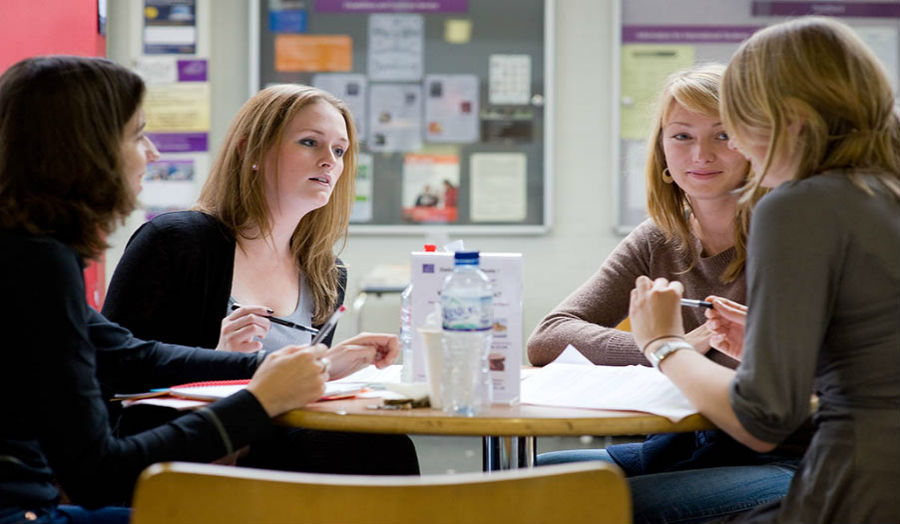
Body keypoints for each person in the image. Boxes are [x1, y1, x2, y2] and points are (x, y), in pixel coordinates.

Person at [0, 56, 332, 524]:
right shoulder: (39, 263)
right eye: (137, 135)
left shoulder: (27, 251)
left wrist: (273, 367)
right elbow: (98, 475)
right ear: (83, 149)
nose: (152, 153)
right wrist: (259, 402)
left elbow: (130, 355)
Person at [629, 16, 899, 523]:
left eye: (736, 127)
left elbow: (761, 421)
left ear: (789, 119)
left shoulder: (798, 205)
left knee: (562, 499)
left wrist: (662, 343)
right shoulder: (883, 191)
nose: (743, 152)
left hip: (852, 489)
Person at [527, 64, 800, 524]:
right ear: (662, 154)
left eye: (723, 135)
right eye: (681, 136)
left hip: (788, 455)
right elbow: (548, 337)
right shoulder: (659, 238)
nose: (701, 154)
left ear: (756, 147)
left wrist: (669, 348)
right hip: (681, 443)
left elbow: (769, 397)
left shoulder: (790, 237)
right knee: (532, 476)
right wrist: (660, 347)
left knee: (583, 503)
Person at [102, 83, 419, 475]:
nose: (329, 162)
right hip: (185, 456)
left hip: (280, 447)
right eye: (309, 142)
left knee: (380, 445)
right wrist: (221, 357)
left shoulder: (326, 273)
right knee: (368, 450)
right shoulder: (176, 242)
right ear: (251, 151)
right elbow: (114, 380)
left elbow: (296, 399)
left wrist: (327, 366)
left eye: (339, 150)